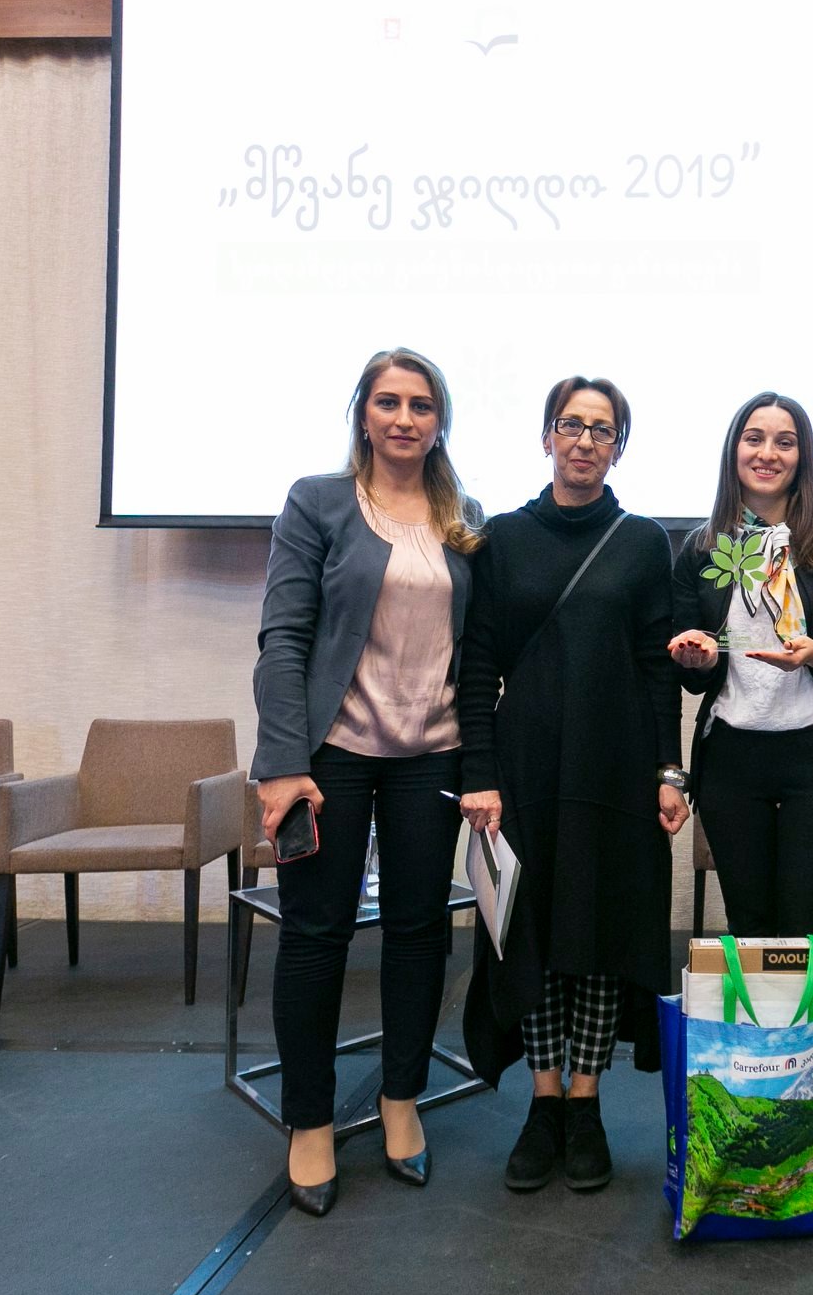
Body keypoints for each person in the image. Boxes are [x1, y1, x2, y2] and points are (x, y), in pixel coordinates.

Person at [251, 347, 484, 1217]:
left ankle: (400, 1099)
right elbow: (283, 638)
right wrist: (282, 762)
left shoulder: (464, 518)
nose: (404, 418)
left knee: (420, 933)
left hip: (433, 753)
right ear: (362, 413)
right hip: (332, 755)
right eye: (388, 402)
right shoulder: (317, 502)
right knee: (316, 936)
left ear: (439, 421)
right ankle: (309, 1120)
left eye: (421, 405)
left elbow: (478, 649)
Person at [457, 375, 686, 1195]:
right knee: (532, 937)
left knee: (598, 937)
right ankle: (543, 1098)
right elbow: (476, 664)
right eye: (571, 424)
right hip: (523, 774)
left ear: (618, 447)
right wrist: (478, 774)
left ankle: (585, 1101)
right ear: (546, 436)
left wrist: (669, 772)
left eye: (602, 429)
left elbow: (658, 668)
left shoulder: (642, 542)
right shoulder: (504, 538)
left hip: (615, 773)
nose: (585, 440)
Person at [668, 392, 813, 938]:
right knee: (749, 925)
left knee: (807, 925)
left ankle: (806, 1004)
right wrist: (698, 658)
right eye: (754, 439)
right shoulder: (701, 549)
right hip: (731, 756)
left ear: (802, 457)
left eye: (785, 442)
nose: (768, 453)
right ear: (733, 450)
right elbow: (691, 675)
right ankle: (754, 1004)